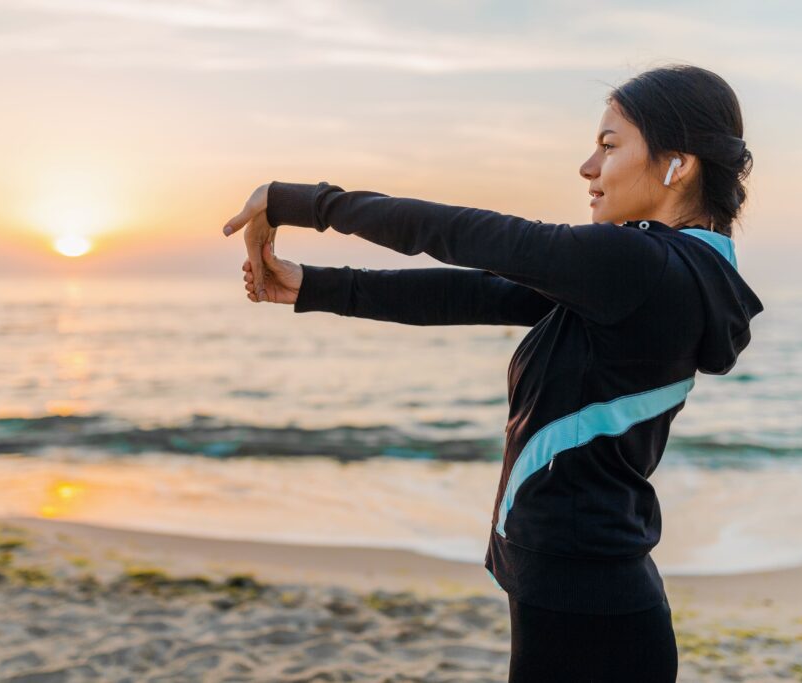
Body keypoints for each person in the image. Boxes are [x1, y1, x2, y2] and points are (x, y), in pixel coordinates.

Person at [221, 63, 764, 682]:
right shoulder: (666, 271)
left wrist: (303, 202)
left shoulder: (641, 265)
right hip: (586, 588)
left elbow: (461, 234)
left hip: (586, 600)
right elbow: (483, 293)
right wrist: (316, 286)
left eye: (609, 146)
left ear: (678, 162)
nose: (588, 168)